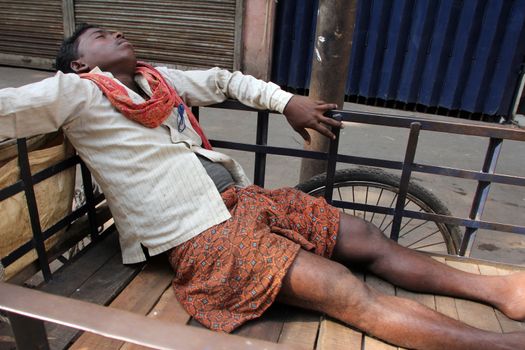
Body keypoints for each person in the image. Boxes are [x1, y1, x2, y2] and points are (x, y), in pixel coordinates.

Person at [0, 24, 524, 350]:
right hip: (199, 235)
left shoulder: (155, 79)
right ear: (80, 63)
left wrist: (285, 101)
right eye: (99, 36)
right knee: (342, 288)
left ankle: (500, 291)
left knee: (364, 236)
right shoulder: (73, 93)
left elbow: (226, 80)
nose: (116, 35)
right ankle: (497, 347)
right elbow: (6, 107)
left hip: (243, 201)